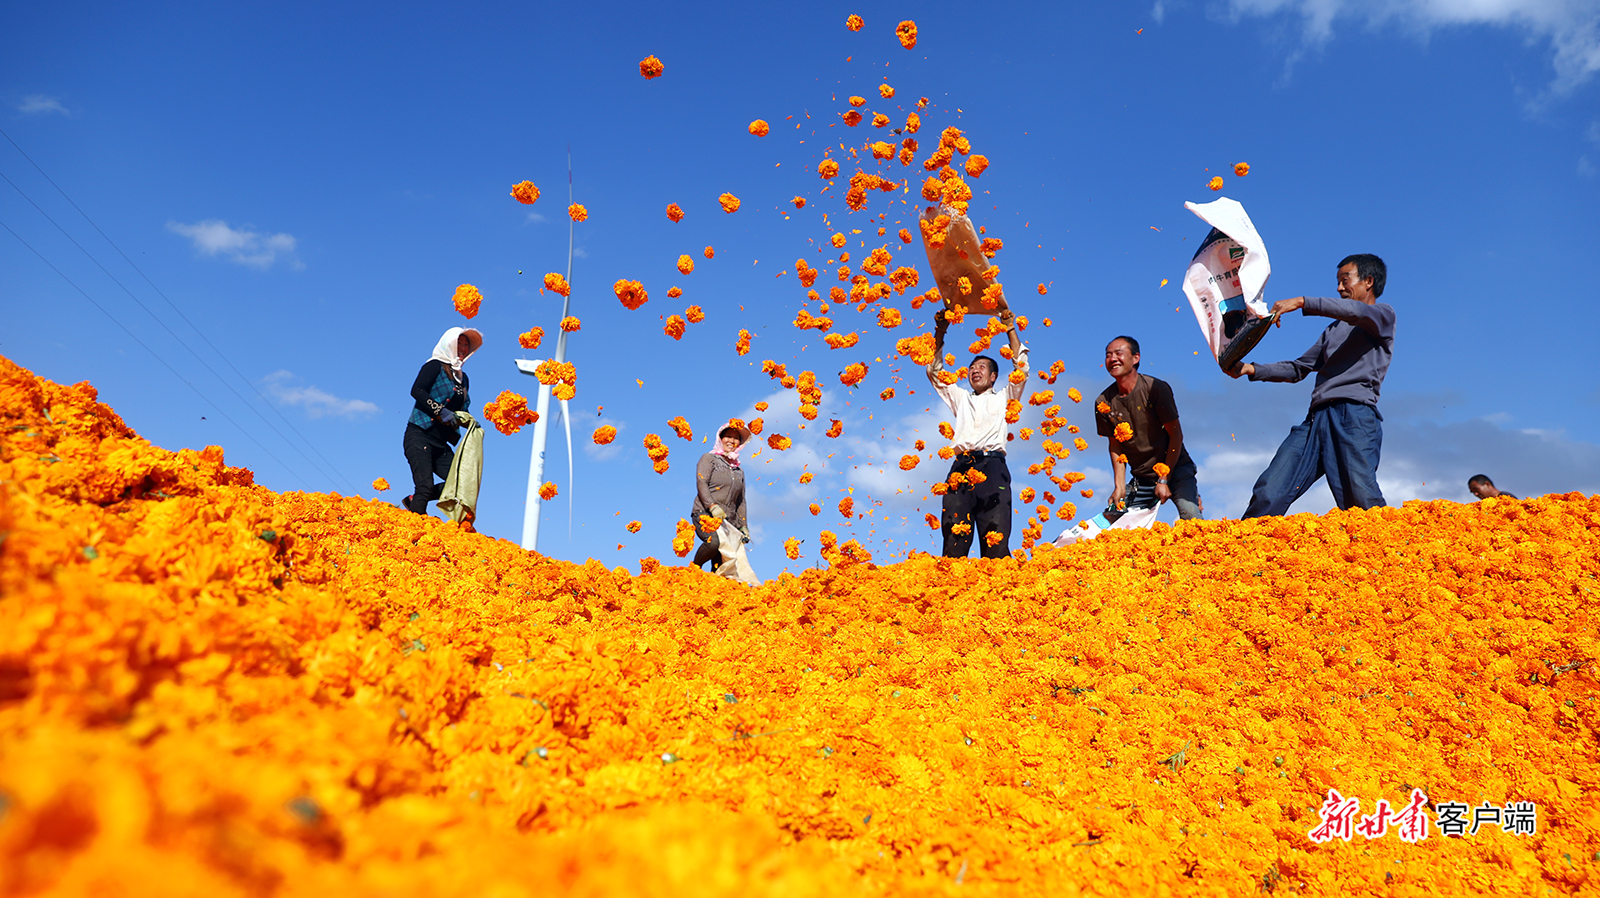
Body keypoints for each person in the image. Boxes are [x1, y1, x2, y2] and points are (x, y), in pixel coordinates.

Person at [1229, 254, 1394, 518]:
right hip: (1316, 419)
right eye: (1338, 282)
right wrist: (1251, 369)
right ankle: (1243, 552)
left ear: (1368, 282)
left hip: (1354, 418)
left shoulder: (1382, 316)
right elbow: (1298, 368)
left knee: (1361, 499)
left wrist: (1302, 302)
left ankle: (1389, 555)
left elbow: (1356, 312)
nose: (1339, 288)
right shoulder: (1332, 331)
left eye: (1345, 280)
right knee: (1270, 490)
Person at [927, 307, 1029, 558]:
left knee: (996, 538)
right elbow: (935, 372)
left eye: (982, 367)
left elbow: (1022, 369)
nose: (975, 370)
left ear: (994, 376)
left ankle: (996, 590)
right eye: (972, 366)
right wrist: (940, 331)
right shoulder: (961, 398)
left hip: (993, 467)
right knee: (954, 536)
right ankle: (952, 588)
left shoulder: (1006, 397)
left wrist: (1009, 327)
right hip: (961, 466)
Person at [1095, 336, 1202, 521]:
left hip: (1175, 469)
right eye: (1108, 355)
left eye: (1118, 353)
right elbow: (1115, 446)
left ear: (1136, 358)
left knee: (1192, 519)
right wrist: (1119, 485)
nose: (1113, 359)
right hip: (1142, 478)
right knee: (1113, 521)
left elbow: (1176, 435)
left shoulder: (1155, 389)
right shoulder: (1103, 402)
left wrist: (1163, 479)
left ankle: (1190, 496)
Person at [403, 327, 482, 514]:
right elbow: (417, 390)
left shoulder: (463, 379)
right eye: (459, 344)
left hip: (440, 443)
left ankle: (412, 501)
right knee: (424, 487)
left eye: (466, 345)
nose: (463, 348)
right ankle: (415, 535)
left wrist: (469, 421)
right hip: (419, 435)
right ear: (450, 345)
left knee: (459, 482)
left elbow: (461, 408)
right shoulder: (435, 366)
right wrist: (439, 410)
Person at [691, 421, 752, 571]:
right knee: (714, 542)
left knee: (723, 562)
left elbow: (741, 501)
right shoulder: (709, 459)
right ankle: (694, 569)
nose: (731, 441)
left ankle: (714, 589)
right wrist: (712, 506)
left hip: (727, 521)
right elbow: (701, 482)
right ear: (720, 438)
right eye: (728, 436)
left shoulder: (739, 470)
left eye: (736, 438)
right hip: (705, 514)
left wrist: (743, 526)